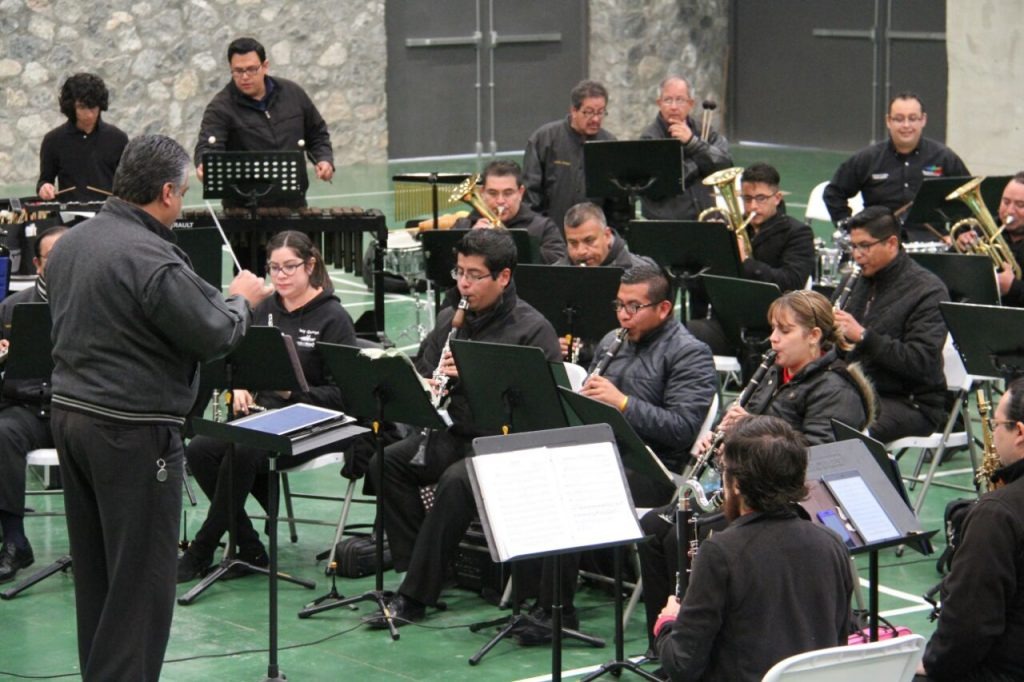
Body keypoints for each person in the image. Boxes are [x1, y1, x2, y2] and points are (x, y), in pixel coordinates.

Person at [45, 134, 272, 681]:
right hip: (131, 430)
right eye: (185, 192)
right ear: (167, 192)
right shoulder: (150, 256)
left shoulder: (74, 242)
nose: (183, 202)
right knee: (142, 584)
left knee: (99, 576)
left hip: (72, 418)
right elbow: (214, 333)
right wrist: (242, 300)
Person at [638, 290, 875, 642]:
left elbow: (815, 459)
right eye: (772, 329)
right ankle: (663, 639)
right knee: (652, 526)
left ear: (814, 336)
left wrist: (750, 429)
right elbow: (743, 428)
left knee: (681, 534)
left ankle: (697, 641)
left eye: (784, 330)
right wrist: (722, 444)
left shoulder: (835, 388)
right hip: (748, 488)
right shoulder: (773, 374)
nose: (773, 339)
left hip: (786, 501)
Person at [365, 229, 561, 627]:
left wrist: (473, 378)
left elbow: (541, 411)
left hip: (506, 444)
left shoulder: (532, 330)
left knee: (456, 481)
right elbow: (423, 371)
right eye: (459, 272)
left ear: (503, 277)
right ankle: (428, 569)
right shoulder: (449, 319)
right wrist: (422, 383)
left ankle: (415, 596)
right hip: (457, 434)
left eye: (474, 275)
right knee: (385, 463)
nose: (463, 285)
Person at [515, 262, 718, 645]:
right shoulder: (613, 340)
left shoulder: (690, 353)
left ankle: (556, 609)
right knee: (536, 471)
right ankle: (531, 597)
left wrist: (623, 404)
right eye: (619, 305)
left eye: (634, 307)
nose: (623, 315)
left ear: (663, 308)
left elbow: (681, 429)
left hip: (655, 469)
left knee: (568, 490)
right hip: (604, 455)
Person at [177, 230, 358, 582]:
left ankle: (202, 549)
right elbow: (240, 360)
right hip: (265, 416)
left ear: (310, 266)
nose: (281, 275)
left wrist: (291, 393)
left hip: (318, 421)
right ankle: (250, 548)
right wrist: (241, 385)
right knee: (199, 449)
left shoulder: (334, 318)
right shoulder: (263, 308)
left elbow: (344, 396)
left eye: (290, 266)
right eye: (274, 267)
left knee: (244, 450)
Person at [654, 415, 853, 682]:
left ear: (736, 484)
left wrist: (667, 625)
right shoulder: (832, 543)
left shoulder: (720, 552)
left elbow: (682, 665)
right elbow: (839, 639)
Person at [917, 377, 1024, 681]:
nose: (993, 433)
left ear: (1019, 433)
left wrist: (931, 664)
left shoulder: (998, 515)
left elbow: (969, 626)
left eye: (996, 424)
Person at [833, 205, 949, 443]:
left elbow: (921, 361)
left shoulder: (928, 290)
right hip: (853, 391)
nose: (856, 255)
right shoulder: (853, 281)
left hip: (910, 402)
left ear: (892, 243)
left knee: (840, 431)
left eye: (865, 246)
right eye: (853, 246)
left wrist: (863, 337)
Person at [687, 162, 816, 356]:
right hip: (730, 323)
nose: (753, 206)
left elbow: (791, 282)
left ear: (777, 198)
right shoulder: (731, 229)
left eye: (761, 198)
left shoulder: (797, 233)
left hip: (772, 327)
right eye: (747, 199)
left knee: (754, 353)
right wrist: (711, 251)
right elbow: (706, 285)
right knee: (686, 334)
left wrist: (746, 262)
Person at [0, 225, 67, 584]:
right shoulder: (11, 308)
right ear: (38, 264)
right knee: (2, 434)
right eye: (54, 257)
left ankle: (99, 543)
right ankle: (14, 541)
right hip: (23, 408)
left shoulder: (92, 303)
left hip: (73, 406)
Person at [193, 37, 334, 205]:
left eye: (252, 69)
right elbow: (208, 145)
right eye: (238, 71)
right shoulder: (220, 107)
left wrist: (324, 159)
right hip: (243, 209)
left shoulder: (292, 93)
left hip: (294, 203)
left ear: (265, 66)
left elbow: (317, 133)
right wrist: (205, 165)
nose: (245, 77)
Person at [823, 92, 970, 242]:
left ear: (923, 120)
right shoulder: (867, 159)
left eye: (912, 118)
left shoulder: (944, 157)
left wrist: (960, 233)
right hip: (879, 244)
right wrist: (850, 228)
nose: (906, 125)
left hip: (933, 243)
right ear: (888, 121)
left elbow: (967, 197)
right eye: (899, 119)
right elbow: (833, 193)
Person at [522, 80, 628, 231]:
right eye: (589, 112)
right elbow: (531, 196)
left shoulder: (609, 144)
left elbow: (617, 201)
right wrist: (541, 232)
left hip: (595, 236)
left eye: (601, 112)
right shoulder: (544, 139)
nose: (596, 119)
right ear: (573, 110)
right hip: (552, 234)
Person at [639, 76, 733, 220]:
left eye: (680, 100)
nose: (673, 107)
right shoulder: (650, 138)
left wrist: (691, 142)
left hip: (707, 219)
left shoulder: (704, 130)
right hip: (668, 224)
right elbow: (660, 185)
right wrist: (698, 162)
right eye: (668, 100)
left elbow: (725, 165)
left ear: (691, 104)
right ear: (659, 103)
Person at [451, 159, 567, 264]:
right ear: (482, 193)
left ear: (520, 193)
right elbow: (446, 265)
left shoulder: (543, 227)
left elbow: (558, 263)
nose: (500, 201)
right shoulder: (464, 226)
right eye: (492, 193)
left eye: (508, 193)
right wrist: (470, 240)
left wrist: (507, 240)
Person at [37, 73, 129, 203]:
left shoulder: (118, 139)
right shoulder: (53, 140)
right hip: (69, 213)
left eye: (93, 107)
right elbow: (44, 180)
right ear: (71, 107)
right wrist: (44, 188)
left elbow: (128, 182)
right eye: (82, 107)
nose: (89, 114)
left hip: (108, 212)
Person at [956, 172, 1024, 307]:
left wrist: (1013, 287)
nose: (1009, 211)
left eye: (1020, 205)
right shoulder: (985, 228)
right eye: (1006, 202)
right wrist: (959, 248)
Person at [554, 201, 651, 269]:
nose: (581, 251)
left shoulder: (642, 273)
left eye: (589, 241)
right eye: (573, 243)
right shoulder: (554, 277)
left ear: (607, 235)